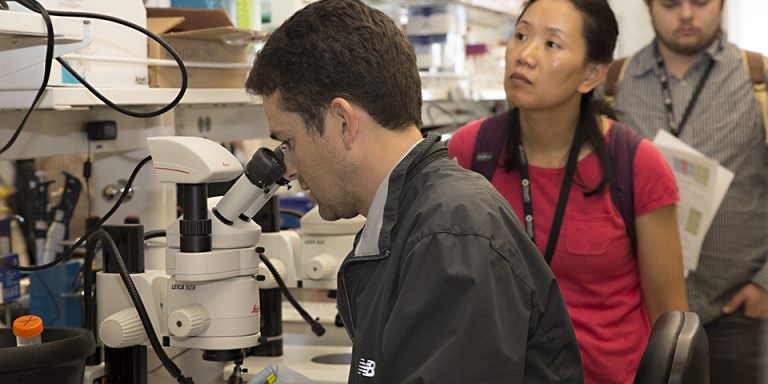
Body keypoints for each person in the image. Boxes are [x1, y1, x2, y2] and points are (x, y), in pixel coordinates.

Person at [245, 0, 584, 382]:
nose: (288, 168)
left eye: (288, 142)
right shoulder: (414, 216)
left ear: (343, 121)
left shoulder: (450, 237)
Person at [447, 0, 688, 383]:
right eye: (521, 35)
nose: (524, 55)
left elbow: (671, 325)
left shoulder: (637, 165)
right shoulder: (470, 152)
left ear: (592, 74)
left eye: (551, 44)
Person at [603, 0, 768, 383]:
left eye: (700, 2)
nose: (687, 15)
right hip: (639, 313)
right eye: (671, 4)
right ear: (649, 7)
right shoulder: (611, 84)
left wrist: (765, 284)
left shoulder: (758, 79)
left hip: (738, 311)